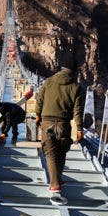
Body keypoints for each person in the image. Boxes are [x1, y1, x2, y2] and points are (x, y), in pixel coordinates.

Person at [34, 52, 84, 205]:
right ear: (74, 71)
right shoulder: (77, 88)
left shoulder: (48, 82)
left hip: (46, 122)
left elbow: (39, 99)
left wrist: (37, 115)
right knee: (61, 152)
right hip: (63, 124)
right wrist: (80, 129)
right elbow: (77, 110)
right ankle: (56, 181)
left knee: (50, 153)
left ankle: (55, 183)